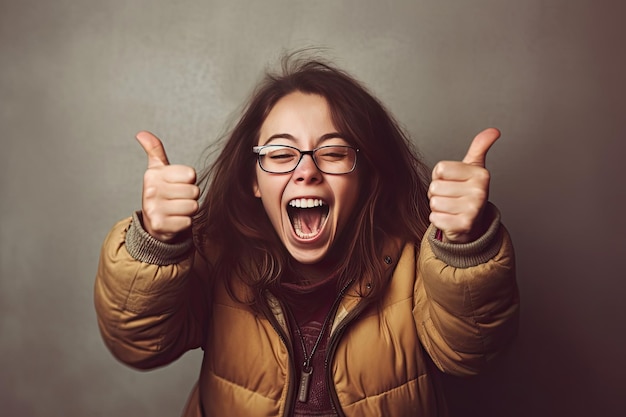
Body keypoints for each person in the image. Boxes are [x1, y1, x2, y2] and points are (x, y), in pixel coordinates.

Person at [95, 53, 519, 417]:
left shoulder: (417, 258)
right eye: (280, 153)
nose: (307, 170)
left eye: (333, 152)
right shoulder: (214, 255)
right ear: (254, 181)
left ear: (366, 177)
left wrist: (463, 246)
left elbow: (472, 351)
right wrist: (157, 244)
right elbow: (139, 345)